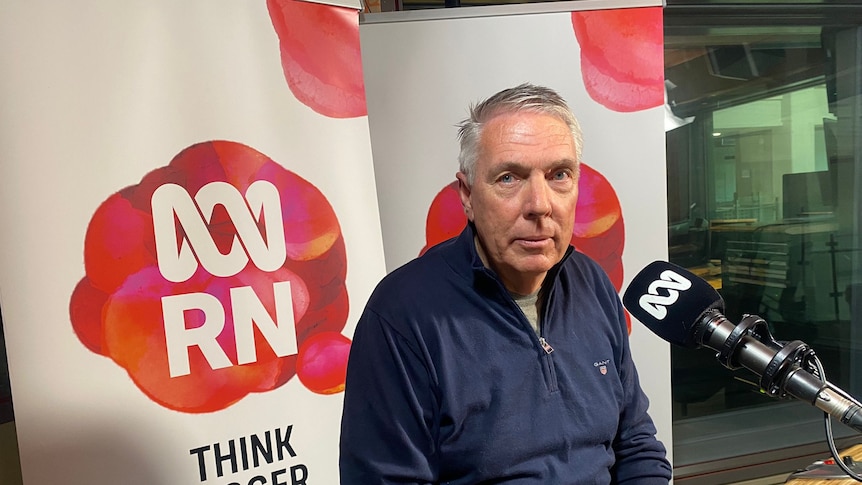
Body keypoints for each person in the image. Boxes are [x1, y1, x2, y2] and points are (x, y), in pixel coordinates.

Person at [339, 83, 672, 484]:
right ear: (467, 194)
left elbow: (635, 443)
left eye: (559, 175)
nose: (540, 204)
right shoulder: (403, 315)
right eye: (509, 178)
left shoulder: (593, 284)